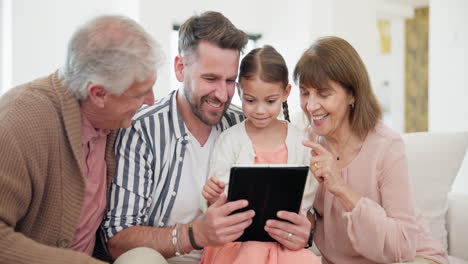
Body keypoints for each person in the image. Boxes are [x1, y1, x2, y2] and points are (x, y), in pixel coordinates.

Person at [0, 15, 162, 264]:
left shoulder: (112, 123)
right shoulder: (20, 120)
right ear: (98, 94)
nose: (150, 101)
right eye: (140, 93)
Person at [103, 11, 254, 264]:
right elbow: (118, 238)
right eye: (210, 78)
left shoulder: (243, 125)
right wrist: (196, 235)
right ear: (180, 68)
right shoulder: (141, 129)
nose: (222, 94)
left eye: (230, 81)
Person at [295, 36, 449, 264]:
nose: (311, 105)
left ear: (352, 94)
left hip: (412, 257)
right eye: (305, 92)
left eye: (324, 94)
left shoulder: (386, 146)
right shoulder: (305, 144)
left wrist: (340, 187)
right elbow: (309, 227)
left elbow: (403, 246)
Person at [199, 45, 320, 264]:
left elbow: (307, 195)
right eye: (250, 100)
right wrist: (213, 197)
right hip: (235, 243)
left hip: (281, 239)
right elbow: (220, 199)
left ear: (285, 93)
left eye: (270, 101)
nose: (260, 110)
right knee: (254, 250)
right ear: (239, 92)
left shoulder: (301, 141)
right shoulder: (230, 140)